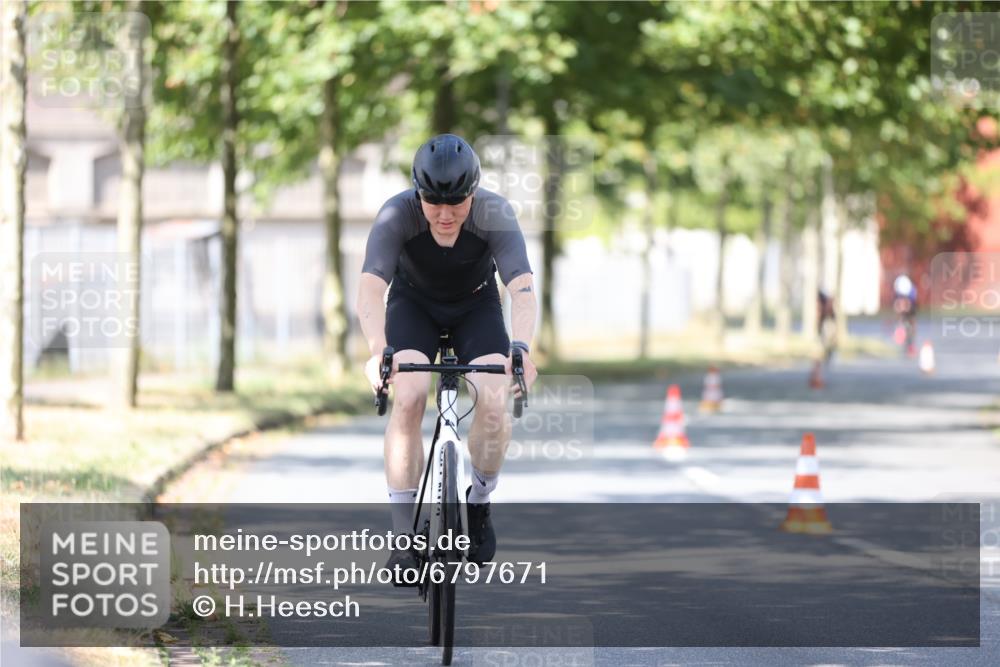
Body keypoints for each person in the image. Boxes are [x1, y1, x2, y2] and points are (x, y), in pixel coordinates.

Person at [356, 134, 539, 585]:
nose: (443, 214)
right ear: (418, 194)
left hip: (476, 308)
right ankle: (404, 540)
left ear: (473, 192)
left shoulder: (495, 214)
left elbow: (521, 287)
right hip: (412, 305)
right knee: (410, 395)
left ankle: (478, 502)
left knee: (494, 400)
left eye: (455, 202)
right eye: (432, 202)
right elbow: (371, 289)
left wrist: (522, 348)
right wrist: (378, 349)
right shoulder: (396, 213)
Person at [892, 274, 917, 356]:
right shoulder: (898, 288)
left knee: (911, 322)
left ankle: (911, 344)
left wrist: (905, 309)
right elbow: (897, 305)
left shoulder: (912, 293)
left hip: (911, 307)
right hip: (902, 304)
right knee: (903, 319)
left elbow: (910, 306)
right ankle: (904, 337)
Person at [817, 289, 837, 366]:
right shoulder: (823, 303)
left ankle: (829, 354)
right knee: (825, 340)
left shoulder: (826, 304)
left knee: (829, 340)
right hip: (825, 321)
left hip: (828, 321)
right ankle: (826, 355)